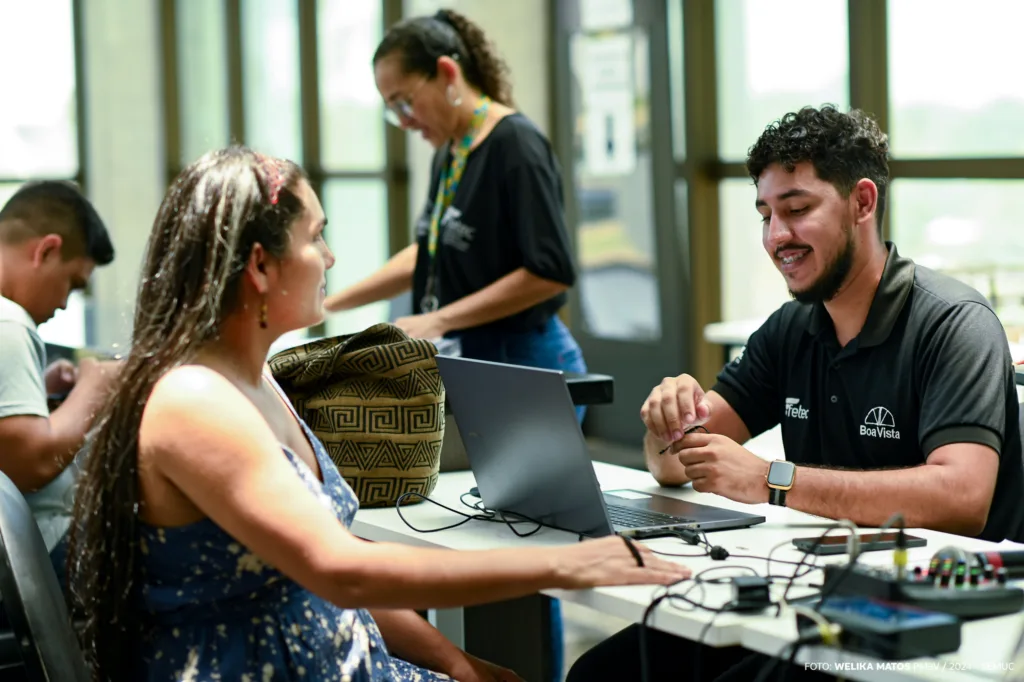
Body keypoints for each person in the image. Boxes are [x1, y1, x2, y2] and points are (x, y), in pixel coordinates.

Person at [67, 147, 690, 682]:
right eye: (316, 237)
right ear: (259, 266)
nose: (331, 258)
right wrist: (567, 563)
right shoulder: (194, 401)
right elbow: (342, 571)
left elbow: (335, 563)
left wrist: (454, 661)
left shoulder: (255, 379)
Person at [567, 105, 1024, 681]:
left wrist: (770, 480)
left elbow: (963, 495)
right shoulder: (792, 328)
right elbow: (673, 464)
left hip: (933, 622)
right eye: (765, 214)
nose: (776, 236)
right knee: (602, 673)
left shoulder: (953, 323)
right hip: (813, 596)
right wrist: (668, 423)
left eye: (798, 210)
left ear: (862, 202)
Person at [324, 9, 586, 420]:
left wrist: (439, 319)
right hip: (473, 361)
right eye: (393, 110)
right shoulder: (450, 152)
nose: (406, 122)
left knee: (519, 487)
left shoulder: (515, 144)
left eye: (405, 102)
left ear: (447, 73)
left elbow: (550, 270)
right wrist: (330, 304)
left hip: (527, 362)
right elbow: (430, 251)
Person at [0, 181, 118, 580]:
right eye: (72, 282)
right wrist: (93, 386)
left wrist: (39, 392)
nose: (65, 302)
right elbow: (30, 463)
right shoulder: (9, 322)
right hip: (33, 562)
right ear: (46, 250)